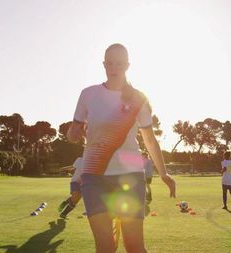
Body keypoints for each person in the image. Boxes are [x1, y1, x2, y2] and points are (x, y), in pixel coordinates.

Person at [67, 43, 176, 253]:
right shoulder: (88, 94)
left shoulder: (139, 99)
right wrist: (73, 134)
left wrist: (164, 173)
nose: (114, 67)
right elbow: (74, 132)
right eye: (110, 63)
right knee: (105, 247)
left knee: (134, 247)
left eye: (119, 63)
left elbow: (150, 140)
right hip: (94, 177)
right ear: (104, 65)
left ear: (128, 65)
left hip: (129, 177)